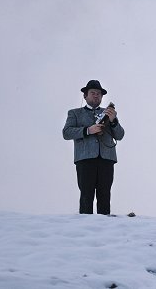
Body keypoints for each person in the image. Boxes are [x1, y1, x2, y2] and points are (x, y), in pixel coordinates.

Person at [62, 80, 125, 215]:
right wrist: (88, 130)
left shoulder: (109, 113)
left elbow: (120, 135)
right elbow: (66, 132)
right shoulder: (74, 113)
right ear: (85, 96)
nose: (96, 96)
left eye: (99, 94)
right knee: (86, 194)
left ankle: (105, 227)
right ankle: (85, 228)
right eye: (93, 93)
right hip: (85, 159)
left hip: (106, 159)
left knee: (105, 194)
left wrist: (113, 121)